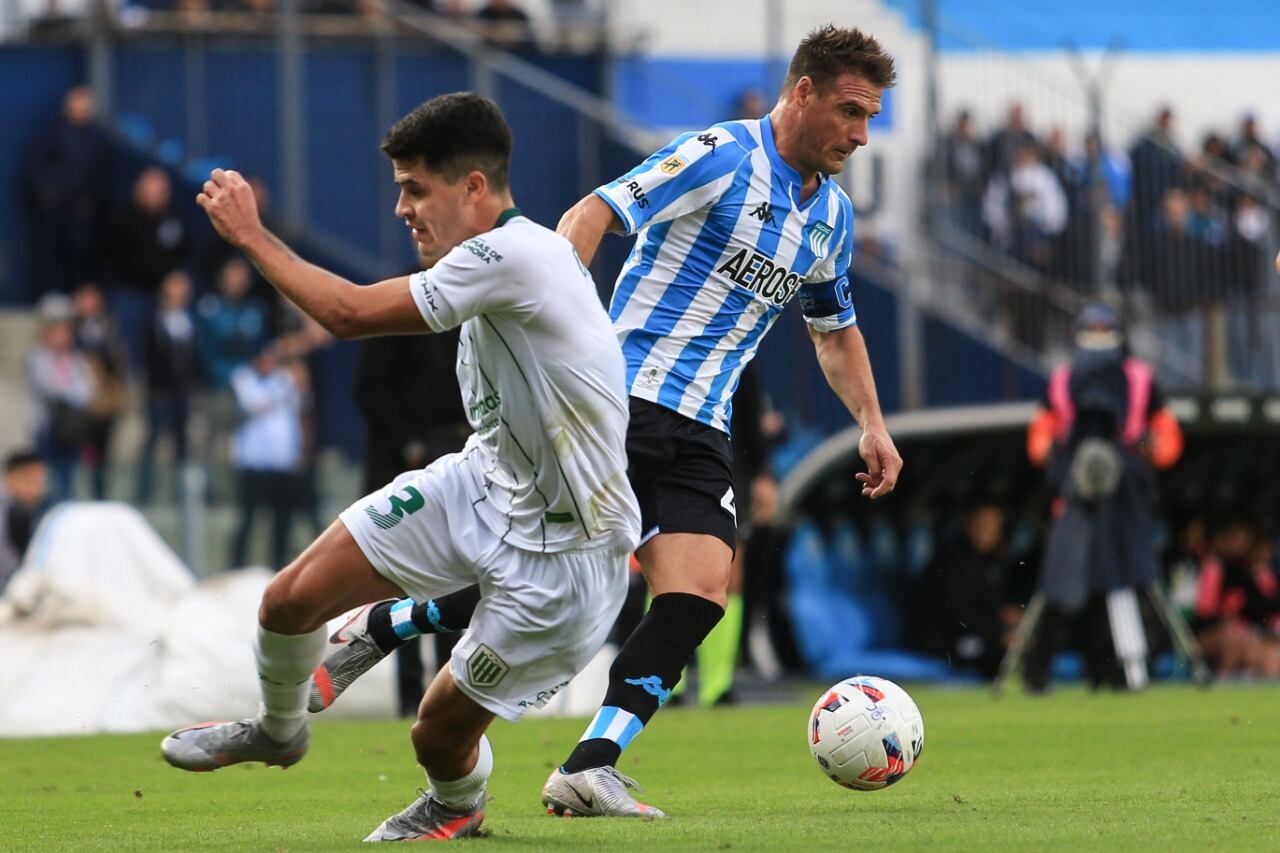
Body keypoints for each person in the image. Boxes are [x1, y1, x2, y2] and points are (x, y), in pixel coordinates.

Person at [308, 25, 904, 818]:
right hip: (620, 400)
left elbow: (833, 330)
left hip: (704, 423)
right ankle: (389, 621)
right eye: (852, 111)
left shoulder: (829, 217)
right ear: (803, 93)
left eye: (871, 116)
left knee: (698, 590)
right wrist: (558, 324)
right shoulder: (720, 155)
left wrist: (872, 420)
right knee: (561, 578)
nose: (862, 134)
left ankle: (589, 762)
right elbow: (595, 210)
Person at [159, 92, 640, 843]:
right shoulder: (505, 258)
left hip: (568, 555)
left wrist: (251, 234)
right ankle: (280, 731)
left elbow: (348, 314)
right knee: (288, 600)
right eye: (399, 190)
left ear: (473, 187)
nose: (401, 209)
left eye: (416, 189)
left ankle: (458, 802)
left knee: (435, 736)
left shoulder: (511, 255)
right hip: (484, 484)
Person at [1023, 302, 1183, 691]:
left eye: (1105, 332)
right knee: (1063, 580)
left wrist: (1144, 450)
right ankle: (1036, 672)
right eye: (1091, 332)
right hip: (1078, 491)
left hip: (1123, 496)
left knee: (1123, 579)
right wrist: (1060, 457)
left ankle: (1117, 671)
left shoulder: (1142, 379)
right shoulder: (1062, 379)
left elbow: (1166, 439)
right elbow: (1040, 436)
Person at [228, 343, 305, 569]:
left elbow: (300, 407)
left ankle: (278, 564)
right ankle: (238, 565)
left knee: (282, 518)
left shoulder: (286, 379)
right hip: (254, 461)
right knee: (248, 517)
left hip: (281, 461)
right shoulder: (244, 378)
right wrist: (287, 387)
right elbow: (254, 404)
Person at [137, 271, 201, 504]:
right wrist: (156, 387)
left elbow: (193, 359)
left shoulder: (189, 321)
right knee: (153, 440)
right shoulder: (155, 320)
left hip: (182, 393)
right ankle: (145, 491)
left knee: (182, 443)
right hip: (160, 393)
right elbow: (148, 356)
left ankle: (179, 493)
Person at [25, 294, 96, 502]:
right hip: (48, 429)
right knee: (48, 480)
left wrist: (69, 392)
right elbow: (50, 388)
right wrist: (69, 391)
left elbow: (87, 389)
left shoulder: (76, 360)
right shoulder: (37, 358)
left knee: (69, 478)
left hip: (71, 430)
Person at [0, 450, 50, 594]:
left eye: (40, 482)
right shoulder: (17, 512)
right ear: (10, 477)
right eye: (29, 480)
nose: (36, 490)